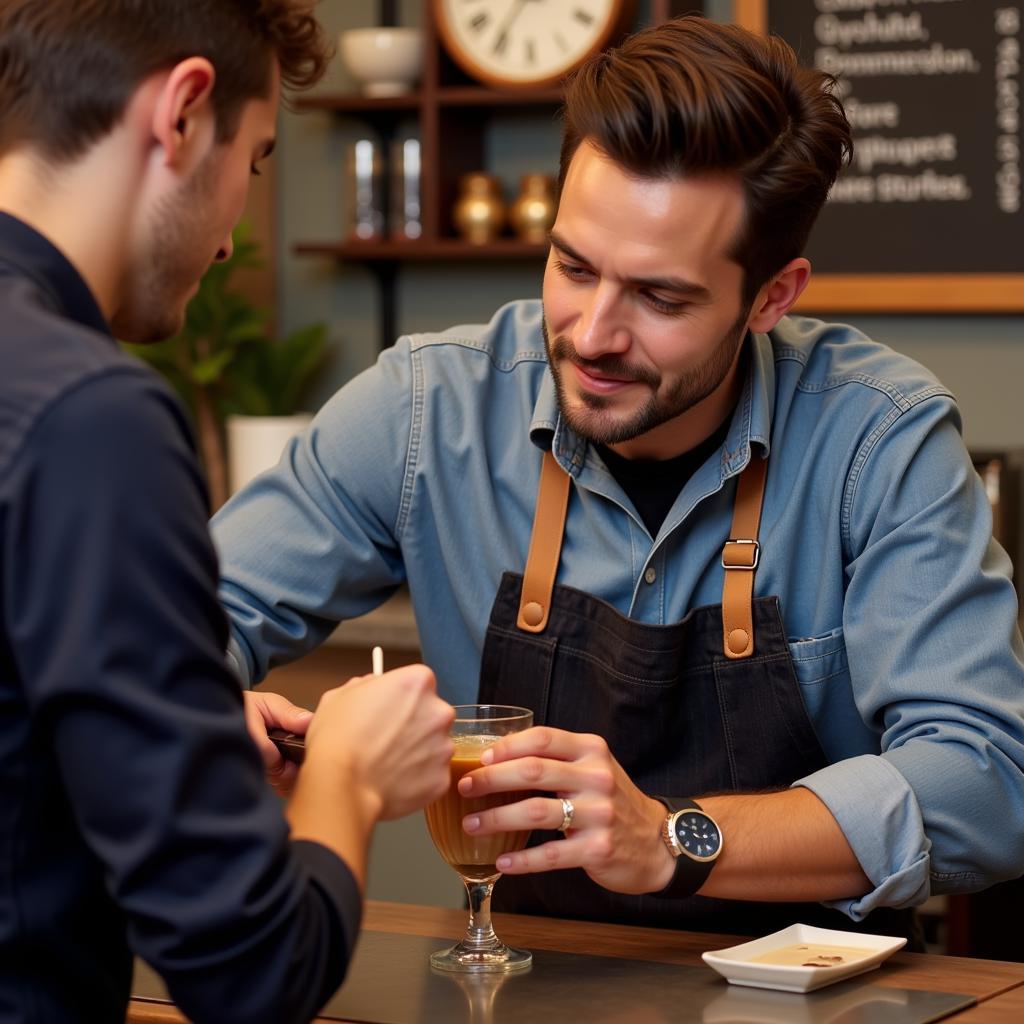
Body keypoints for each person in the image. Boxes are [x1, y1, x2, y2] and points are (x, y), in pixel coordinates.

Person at [213, 15, 1024, 941]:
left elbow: (987, 780)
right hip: (523, 981)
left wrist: (675, 838)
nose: (593, 334)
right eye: (573, 266)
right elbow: (167, 629)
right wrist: (197, 694)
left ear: (773, 296)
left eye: (661, 296)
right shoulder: (426, 410)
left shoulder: (881, 439)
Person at [0, 3, 455, 1023]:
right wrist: (348, 775)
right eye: (253, 163)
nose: (230, 238)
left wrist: (164, 725)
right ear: (183, 114)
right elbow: (252, 974)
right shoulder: (91, 418)